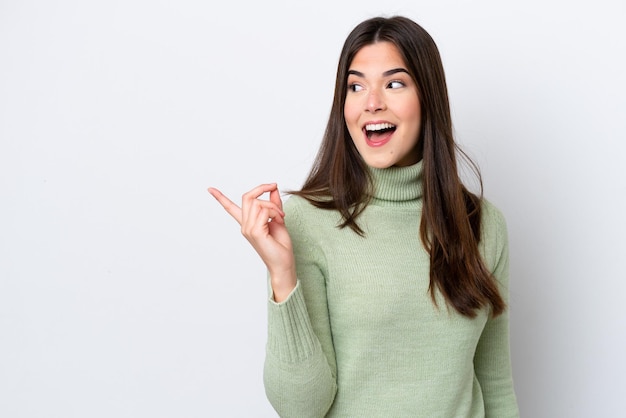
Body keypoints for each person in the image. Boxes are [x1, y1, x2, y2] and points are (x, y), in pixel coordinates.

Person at [208, 15, 519, 418]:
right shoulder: (305, 222)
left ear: (429, 99)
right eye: (356, 86)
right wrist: (282, 276)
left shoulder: (483, 225)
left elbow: (495, 386)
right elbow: (301, 408)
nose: (372, 102)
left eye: (394, 83)